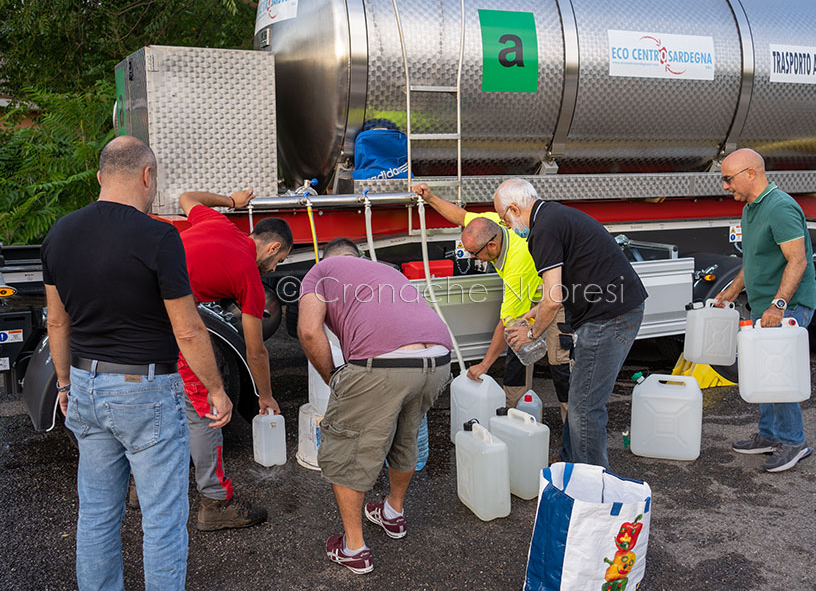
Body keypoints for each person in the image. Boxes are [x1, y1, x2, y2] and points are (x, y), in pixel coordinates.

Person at [42, 136, 231, 590]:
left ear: (101, 175)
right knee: (162, 520)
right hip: (145, 391)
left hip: (86, 387)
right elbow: (187, 329)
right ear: (147, 176)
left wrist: (65, 385)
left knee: (97, 515)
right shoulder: (159, 236)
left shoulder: (60, 233)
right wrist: (215, 389)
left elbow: (56, 323)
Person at [298, 238, 452, 575]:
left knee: (347, 448)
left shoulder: (321, 271)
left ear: (327, 259)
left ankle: (354, 548)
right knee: (405, 435)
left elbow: (309, 332)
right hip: (439, 359)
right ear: (359, 257)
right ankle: (393, 514)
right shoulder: (386, 271)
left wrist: (334, 378)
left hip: (384, 363)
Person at [498, 178, 648, 468]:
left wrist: (532, 332)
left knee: (584, 407)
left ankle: (591, 483)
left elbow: (553, 299)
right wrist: (535, 311)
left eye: (505, 220)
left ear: (515, 209)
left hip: (608, 317)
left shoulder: (542, 230)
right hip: (612, 310)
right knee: (580, 396)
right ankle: (569, 461)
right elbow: (563, 286)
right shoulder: (553, 216)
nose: (508, 227)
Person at [174, 189, 293, 530]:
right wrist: (265, 396)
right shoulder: (249, 278)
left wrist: (231, 201)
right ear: (272, 248)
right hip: (165, 317)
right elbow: (255, 350)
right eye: (279, 260)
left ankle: (139, 488)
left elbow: (185, 198)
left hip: (131, 312)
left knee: (160, 401)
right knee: (208, 409)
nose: (274, 267)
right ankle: (215, 503)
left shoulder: (219, 221)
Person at [412, 182, 571, 418]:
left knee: (560, 363)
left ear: (492, 246)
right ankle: (514, 415)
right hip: (528, 296)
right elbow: (463, 217)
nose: (472, 258)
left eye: (475, 254)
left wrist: (484, 365)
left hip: (554, 298)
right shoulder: (490, 223)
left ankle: (574, 427)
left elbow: (506, 323)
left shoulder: (516, 265)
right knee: (518, 348)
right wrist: (431, 198)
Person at [714, 148, 816, 472]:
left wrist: (778, 305)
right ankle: (770, 434)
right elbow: (754, 259)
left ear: (750, 173)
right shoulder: (750, 209)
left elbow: (797, 259)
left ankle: (793, 441)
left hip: (789, 306)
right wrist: (731, 290)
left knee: (779, 374)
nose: (726, 186)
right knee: (765, 371)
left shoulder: (781, 207)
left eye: (728, 179)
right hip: (765, 307)